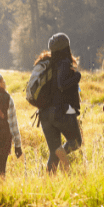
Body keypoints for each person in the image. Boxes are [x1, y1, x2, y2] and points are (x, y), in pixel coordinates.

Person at [38, 33, 82, 174]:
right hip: (61, 111)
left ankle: (48, 183)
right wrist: (77, 76)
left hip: (44, 113)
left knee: (54, 150)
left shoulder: (47, 64)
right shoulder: (64, 63)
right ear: (67, 47)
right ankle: (63, 161)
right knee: (75, 142)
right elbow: (62, 84)